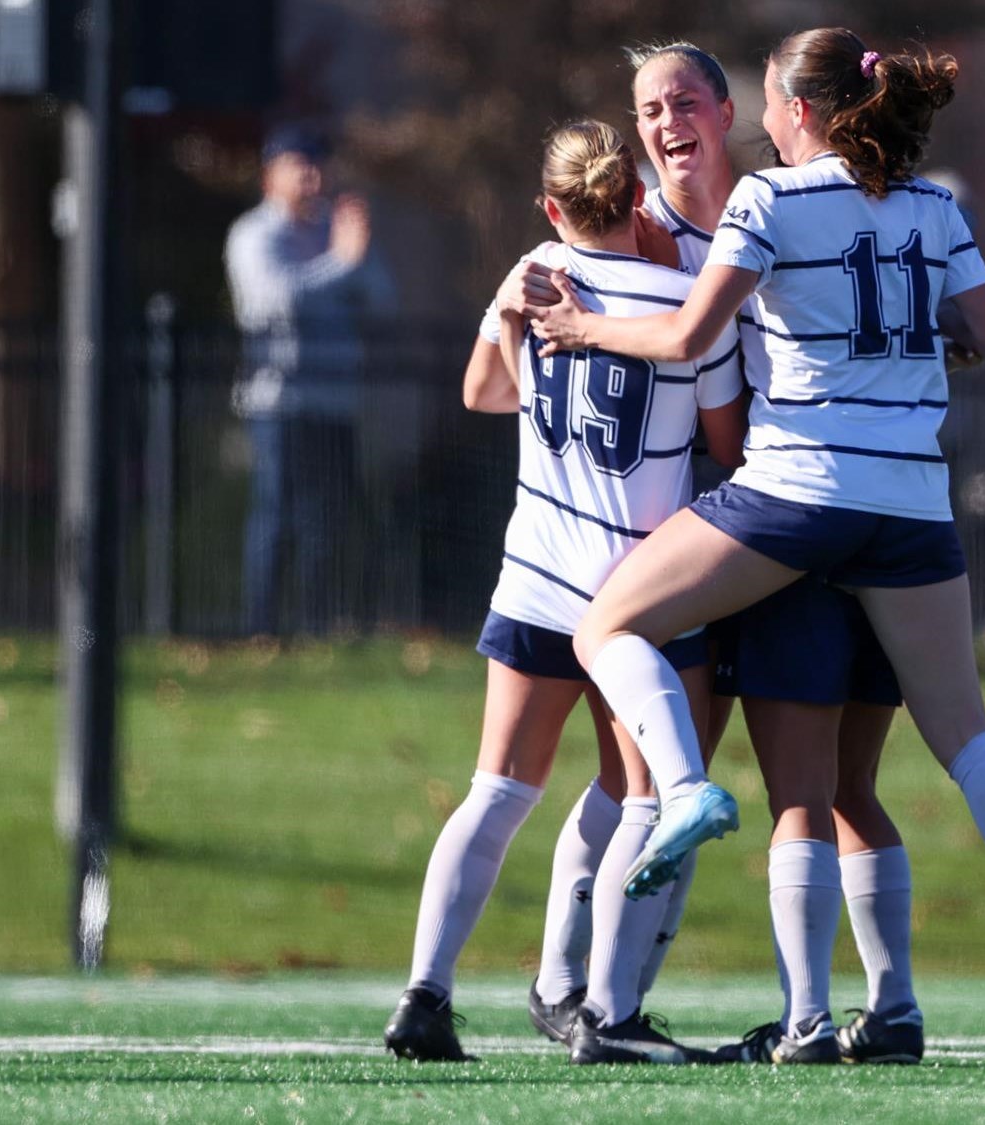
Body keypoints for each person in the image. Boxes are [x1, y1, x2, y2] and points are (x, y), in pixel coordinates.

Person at [530, 28, 985, 1055]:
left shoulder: (769, 198)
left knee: (608, 623)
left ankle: (694, 805)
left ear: (799, 110)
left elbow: (684, 338)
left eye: (761, 97)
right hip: (914, 506)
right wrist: (911, 349)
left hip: (797, 497)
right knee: (965, 734)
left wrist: (579, 332)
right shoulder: (932, 204)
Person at [497, 42, 928, 1066]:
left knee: (773, 778)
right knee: (640, 775)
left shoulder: (787, 201)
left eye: (682, 100)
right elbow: (519, 357)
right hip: (681, 532)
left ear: (730, 109)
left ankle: (776, 1009)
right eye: (647, 108)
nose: (664, 123)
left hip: (778, 522)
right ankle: (576, 990)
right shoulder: (631, 225)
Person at [383, 120, 745, 1065]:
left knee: (497, 792)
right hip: (637, 597)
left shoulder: (534, 270)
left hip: (535, 576)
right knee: (642, 803)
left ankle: (426, 994)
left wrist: (512, 322)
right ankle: (606, 1015)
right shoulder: (683, 304)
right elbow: (728, 440)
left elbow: (482, 393)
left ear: (552, 206)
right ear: (638, 200)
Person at [225, 125, 387, 635]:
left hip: (335, 401)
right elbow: (276, 300)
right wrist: (342, 265)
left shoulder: (334, 231)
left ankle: (317, 625)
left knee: (327, 518)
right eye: (300, 164)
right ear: (270, 175)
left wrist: (355, 254)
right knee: (278, 515)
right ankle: (262, 628)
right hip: (278, 402)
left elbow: (383, 298)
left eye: (319, 164)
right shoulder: (254, 234)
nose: (313, 176)